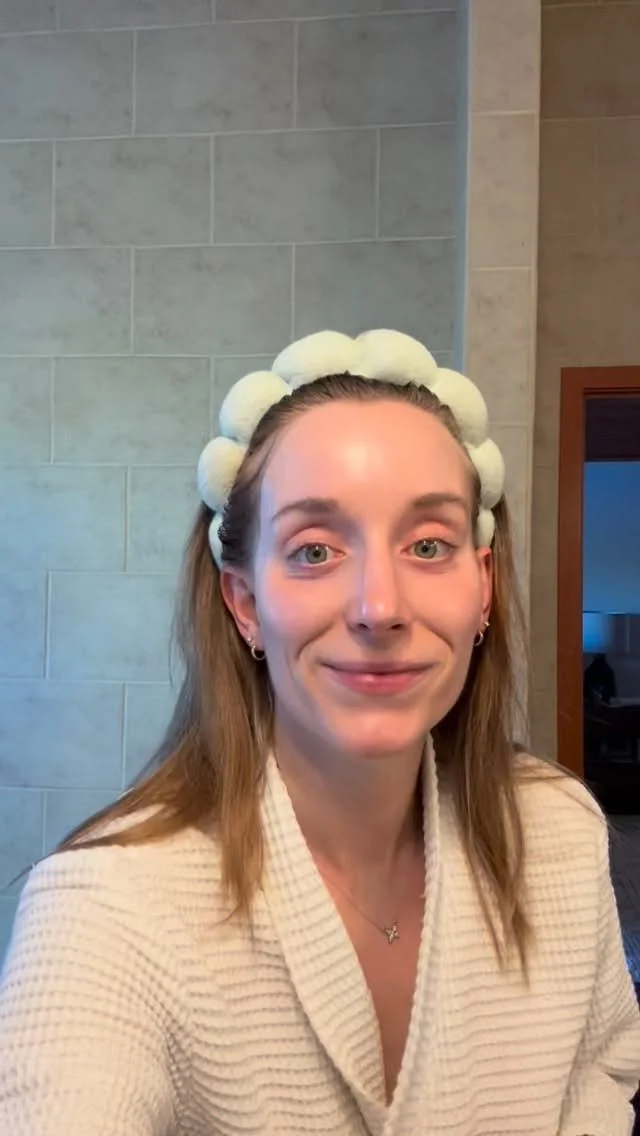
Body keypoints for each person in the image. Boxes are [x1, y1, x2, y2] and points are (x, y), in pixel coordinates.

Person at [0, 329, 639, 1136]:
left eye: (429, 545)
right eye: (313, 551)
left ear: (481, 589)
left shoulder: (558, 832)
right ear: (244, 603)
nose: (380, 607)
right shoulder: (107, 906)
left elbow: (600, 1076)